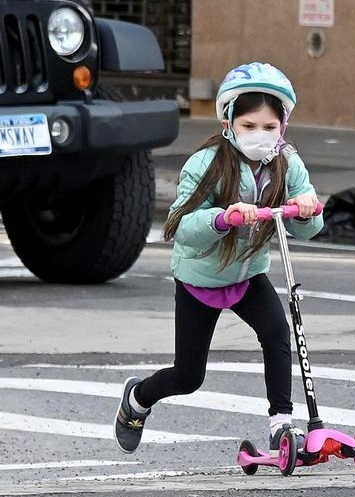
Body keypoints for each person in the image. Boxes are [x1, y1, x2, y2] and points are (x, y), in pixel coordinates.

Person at [113, 62, 324, 455]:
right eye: (248, 125)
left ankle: (281, 423)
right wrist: (222, 217)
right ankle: (138, 399)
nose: (260, 135)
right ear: (228, 123)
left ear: (283, 128)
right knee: (189, 375)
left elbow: (304, 229)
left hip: (248, 275)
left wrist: (310, 210)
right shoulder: (206, 163)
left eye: (269, 127)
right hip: (200, 279)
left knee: (277, 334)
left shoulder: (287, 163)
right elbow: (180, 226)